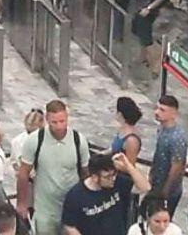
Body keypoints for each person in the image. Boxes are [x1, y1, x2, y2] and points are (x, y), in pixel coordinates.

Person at [16, 100, 91, 235]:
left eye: (62, 121)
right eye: (54, 122)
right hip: (45, 209)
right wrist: (22, 203)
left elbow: (85, 172)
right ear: (47, 120)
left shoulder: (78, 140)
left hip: (71, 207)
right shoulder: (34, 140)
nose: (59, 126)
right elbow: (23, 173)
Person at [60, 151, 150, 235]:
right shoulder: (76, 195)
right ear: (95, 177)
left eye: (114, 174)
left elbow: (145, 187)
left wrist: (128, 167)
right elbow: (69, 226)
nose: (113, 179)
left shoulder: (118, 183)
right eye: (107, 177)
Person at [149, 95, 188, 217]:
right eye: (157, 108)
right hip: (156, 183)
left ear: (173, 113)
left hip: (168, 190)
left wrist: (166, 190)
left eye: (162, 110)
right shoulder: (161, 129)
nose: (157, 112)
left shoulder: (176, 138)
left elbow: (177, 166)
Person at [109, 97, 143, 165]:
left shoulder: (131, 140)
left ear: (120, 114)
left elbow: (130, 165)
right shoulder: (121, 131)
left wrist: (110, 162)